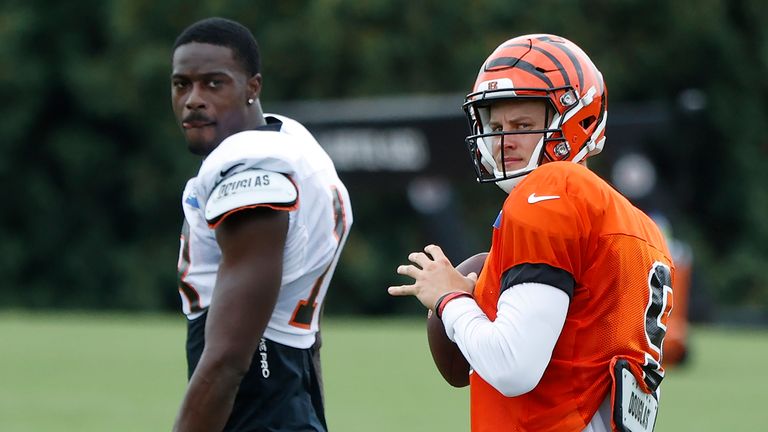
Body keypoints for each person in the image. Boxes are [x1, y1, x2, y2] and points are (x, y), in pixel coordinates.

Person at [389, 34, 674, 432]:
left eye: (522, 124)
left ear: (577, 120)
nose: (504, 140)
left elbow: (512, 367)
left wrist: (449, 298)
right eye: (496, 125)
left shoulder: (550, 189)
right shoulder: (642, 228)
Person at [171, 17, 352, 432]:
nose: (193, 100)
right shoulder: (289, 139)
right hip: (288, 386)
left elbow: (227, 360)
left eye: (213, 83)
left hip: (255, 401)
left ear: (252, 87)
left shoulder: (251, 172)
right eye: (182, 84)